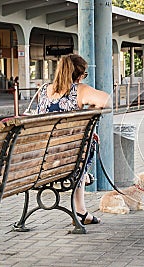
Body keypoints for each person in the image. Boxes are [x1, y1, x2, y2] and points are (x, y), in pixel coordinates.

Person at [37, 54, 110, 225]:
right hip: (69, 159)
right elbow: (108, 101)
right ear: (79, 75)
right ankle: (82, 197)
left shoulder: (44, 90)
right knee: (88, 143)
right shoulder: (79, 90)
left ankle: (82, 204)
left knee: (81, 146)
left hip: (43, 158)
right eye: (84, 75)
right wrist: (90, 109)